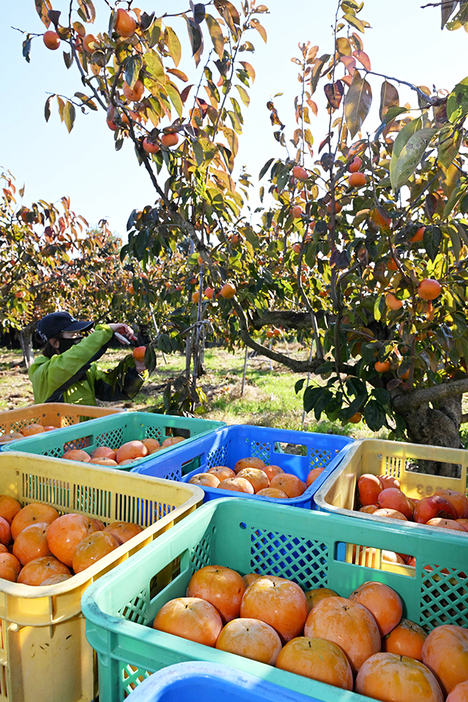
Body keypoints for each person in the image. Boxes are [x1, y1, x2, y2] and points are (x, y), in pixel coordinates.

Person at [29, 311, 146, 405]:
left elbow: (113, 389)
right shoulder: (43, 372)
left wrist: (136, 370)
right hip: (60, 433)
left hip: (87, 432)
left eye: (80, 333)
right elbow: (73, 359)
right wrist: (106, 331)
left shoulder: (87, 369)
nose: (81, 339)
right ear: (55, 343)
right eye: (75, 335)